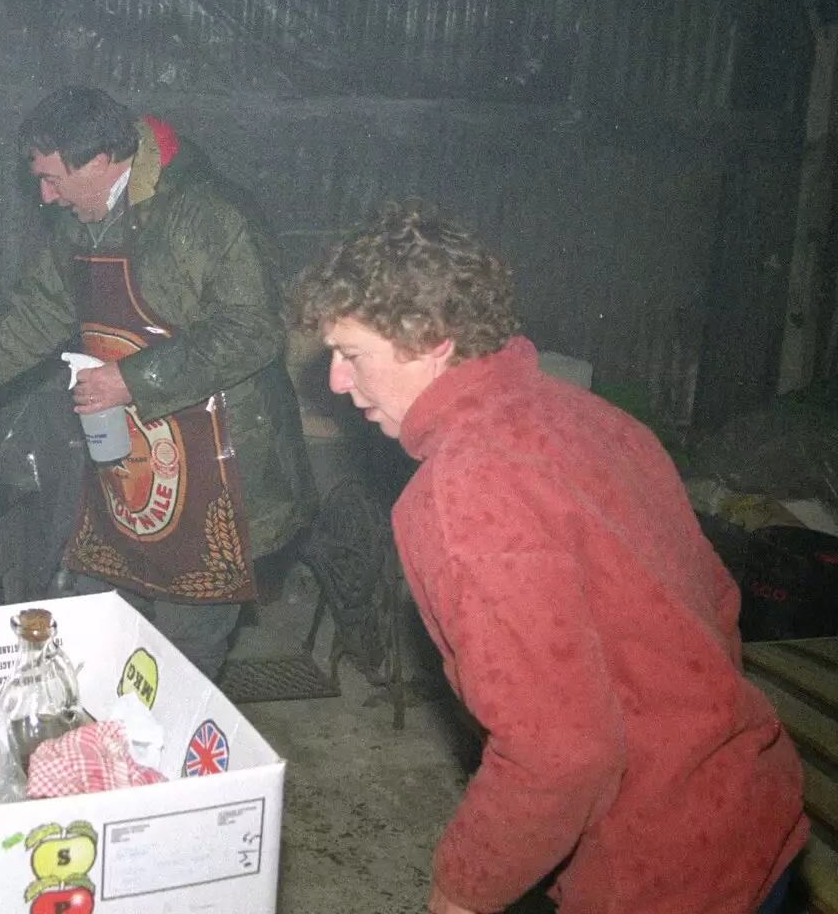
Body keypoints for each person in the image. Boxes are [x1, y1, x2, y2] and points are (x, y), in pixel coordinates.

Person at [292, 205, 808, 914]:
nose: (337, 384)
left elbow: (559, 753)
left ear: (432, 343)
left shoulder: (460, 489)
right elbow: (716, 600)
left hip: (659, 870)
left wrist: (462, 891)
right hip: (754, 810)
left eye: (351, 355)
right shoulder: (593, 418)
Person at [0, 86, 316, 677]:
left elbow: (253, 329)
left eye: (52, 179)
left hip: (222, 471)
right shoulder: (84, 219)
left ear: (101, 161)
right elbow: (40, 310)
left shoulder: (208, 214)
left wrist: (132, 378)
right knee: (95, 633)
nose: (45, 197)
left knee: (180, 660)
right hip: (130, 471)